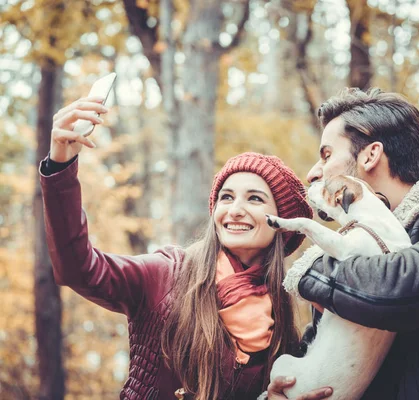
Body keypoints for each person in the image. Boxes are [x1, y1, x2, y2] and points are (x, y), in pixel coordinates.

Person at [40, 96, 323, 400]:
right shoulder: (166, 272)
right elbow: (77, 268)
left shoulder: (284, 311)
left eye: (254, 199)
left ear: (280, 224)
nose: (235, 210)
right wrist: (61, 166)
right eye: (226, 197)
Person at [267, 88, 419, 399]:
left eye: (326, 154)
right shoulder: (351, 249)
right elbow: (319, 349)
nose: (314, 172)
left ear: (370, 155)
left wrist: (311, 271)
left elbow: (395, 290)